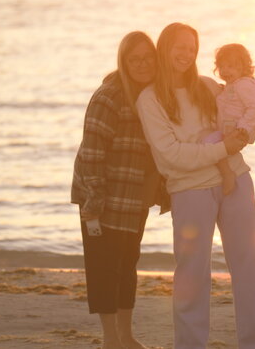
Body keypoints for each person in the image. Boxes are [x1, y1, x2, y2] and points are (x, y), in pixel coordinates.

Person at [136, 23, 255, 349]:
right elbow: (171, 155)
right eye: (179, 47)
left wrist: (247, 134)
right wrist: (223, 148)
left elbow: (246, 115)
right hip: (190, 190)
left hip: (236, 180)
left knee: (248, 268)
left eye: (192, 48)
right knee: (192, 274)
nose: (186, 54)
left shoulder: (209, 86)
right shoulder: (150, 99)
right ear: (164, 48)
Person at [71, 31, 166, 349]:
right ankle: (110, 339)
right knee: (104, 269)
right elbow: (92, 151)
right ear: (124, 62)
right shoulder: (109, 96)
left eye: (148, 58)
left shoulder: (151, 96)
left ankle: (126, 336)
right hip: (102, 197)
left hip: (135, 197)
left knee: (127, 266)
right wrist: (95, 201)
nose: (142, 64)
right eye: (134, 59)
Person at [203, 43, 255, 195]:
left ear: (243, 67)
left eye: (231, 66)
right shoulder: (235, 84)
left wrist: (243, 127)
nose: (225, 70)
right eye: (222, 66)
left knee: (210, 143)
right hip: (232, 127)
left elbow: (254, 106)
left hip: (235, 128)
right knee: (214, 145)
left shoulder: (243, 85)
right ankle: (226, 174)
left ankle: (227, 174)